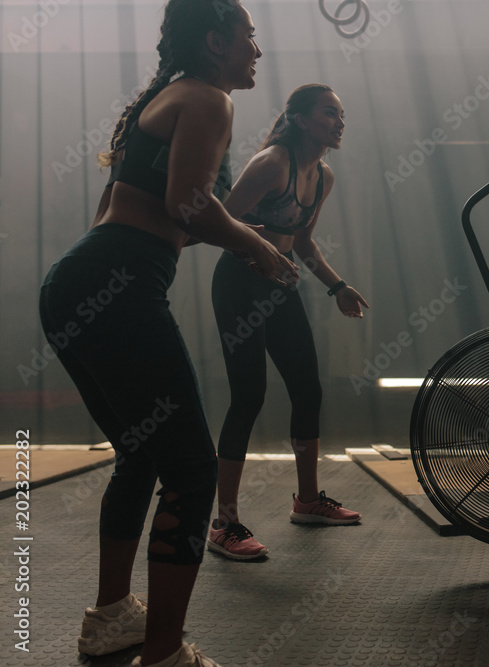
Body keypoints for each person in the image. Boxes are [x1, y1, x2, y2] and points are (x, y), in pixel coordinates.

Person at [38, 1, 297, 665]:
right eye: (249, 37)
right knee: (188, 464)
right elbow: (188, 203)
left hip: (79, 281)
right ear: (215, 41)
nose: (256, 51)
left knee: (142, 453)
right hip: (118, 282)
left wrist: (231, 239)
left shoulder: (169, 96)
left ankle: (111, 618)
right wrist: (257, 248)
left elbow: (133, 212)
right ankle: (164, 654)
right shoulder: (209, 98)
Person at [207, 84, 368, 560]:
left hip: (280, 284)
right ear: (299, 119)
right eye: (328, 113)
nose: (339, 122)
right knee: (249, 395)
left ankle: (308, 501)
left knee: (307, 389)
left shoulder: (322, 177)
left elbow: (302, 244)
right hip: (239, 282)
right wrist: (256, 250)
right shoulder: (272, 164)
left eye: (341, 114)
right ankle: (224, 523)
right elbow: (216, 223)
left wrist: (338, 287)